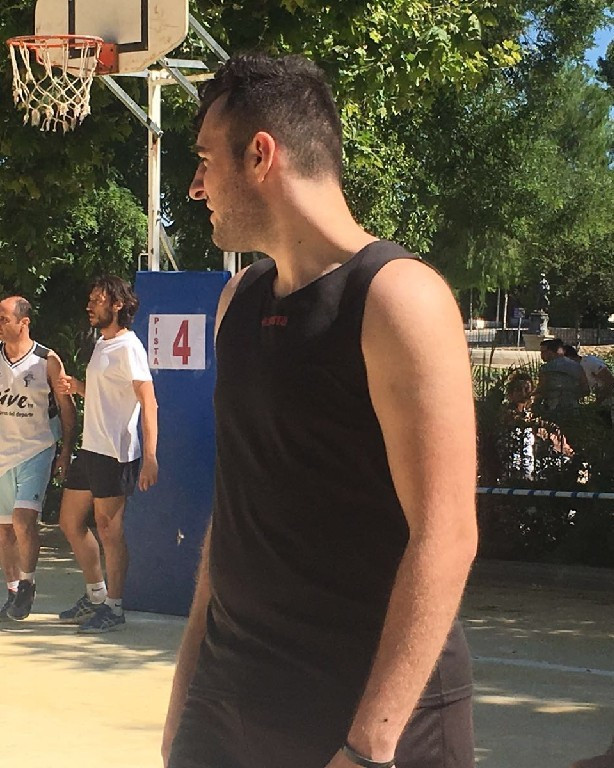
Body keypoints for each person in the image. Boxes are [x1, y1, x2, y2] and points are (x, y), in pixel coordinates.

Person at [163, 54, 477, 768]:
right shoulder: (238, 301)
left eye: (206, 161)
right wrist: (188, 695)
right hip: (230, 697)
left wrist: (369, 746)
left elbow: (447, 534)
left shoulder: (398, 299)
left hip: (364, 712)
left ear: (260, 155)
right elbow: (235, 514)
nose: (195, 186)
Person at [56, 275, 158, 634]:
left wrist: (150, 457)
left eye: (97, 300)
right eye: (90, 299)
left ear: (118, 305)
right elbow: (107, 394)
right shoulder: (102, 343)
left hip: (115, 453)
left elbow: (148, 402)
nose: (90, 305)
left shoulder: (130, 347)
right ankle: (96, 594)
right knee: (69, 522)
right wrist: (78, 387)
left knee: (108, 530)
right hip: (91, 448)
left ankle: (114, 607)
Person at [0, 296, 76, 620]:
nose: (0, 324)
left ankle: (28, 583)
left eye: (4, 319)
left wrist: (66, 451)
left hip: (36, 449)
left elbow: (68, 409)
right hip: (3, 454)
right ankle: (12, 591)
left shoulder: (47, 360)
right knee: (4, 531)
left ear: (24, 322)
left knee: (23, 520)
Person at [534, 338, 589, 417]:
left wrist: (535, 406)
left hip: (552, 410)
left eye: (543, 352)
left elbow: (542, 390)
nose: (541, 355)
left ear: (550, 352)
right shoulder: (577, 366)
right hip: (573, 411)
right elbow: (586, 389)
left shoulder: (546, 369)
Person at [563, 344, 614, 424]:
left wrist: (598, 402)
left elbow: (609, 380)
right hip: (603, 402)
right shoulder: (577, 369)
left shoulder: (589, 362)